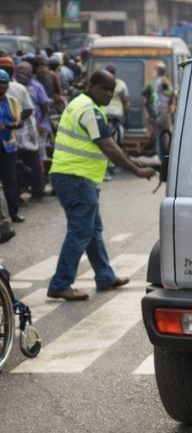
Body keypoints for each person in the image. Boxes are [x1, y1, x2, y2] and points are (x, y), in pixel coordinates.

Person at [46, 70, 157, 301]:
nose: (109, 94)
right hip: (76, 178)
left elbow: (107, 146)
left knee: (93, 231)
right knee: (80, 232)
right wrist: (135, 169)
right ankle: (60, 283)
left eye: (112, 90)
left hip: (74, 177)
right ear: (92, 85)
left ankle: (105, 276)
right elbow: (107, 146)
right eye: (104, 89)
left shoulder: (81, 104)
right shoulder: (89, 110)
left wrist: (134, 160)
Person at [13, 60, 49, 201]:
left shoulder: (36, 87)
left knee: (34, 162)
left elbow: (46, 106)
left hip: (32, 131)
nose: (20, 75)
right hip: (14, 132)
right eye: (18, 72)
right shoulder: (11, 86)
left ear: (30, 74)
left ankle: (37, 192)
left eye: (24, 72)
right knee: (15, 165)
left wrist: (43, 124)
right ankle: (18, 193)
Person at [0, 69, 26, 223]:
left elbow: (20, 121)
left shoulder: (12, 102)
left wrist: (10, 125)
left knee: (10, 180)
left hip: (8, 147)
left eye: (4, 85)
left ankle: (13, 213)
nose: (1, 88)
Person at [143, 62, 174, 170]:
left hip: (155, 116)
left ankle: (163, 163)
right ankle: (166, 164)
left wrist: (152, 115)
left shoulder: (152, 84)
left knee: (159, 140)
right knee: (166, 140)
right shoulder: (166, 82)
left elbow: (145, 101)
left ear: (156, 72)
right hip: (165, 115)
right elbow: (170, 98)